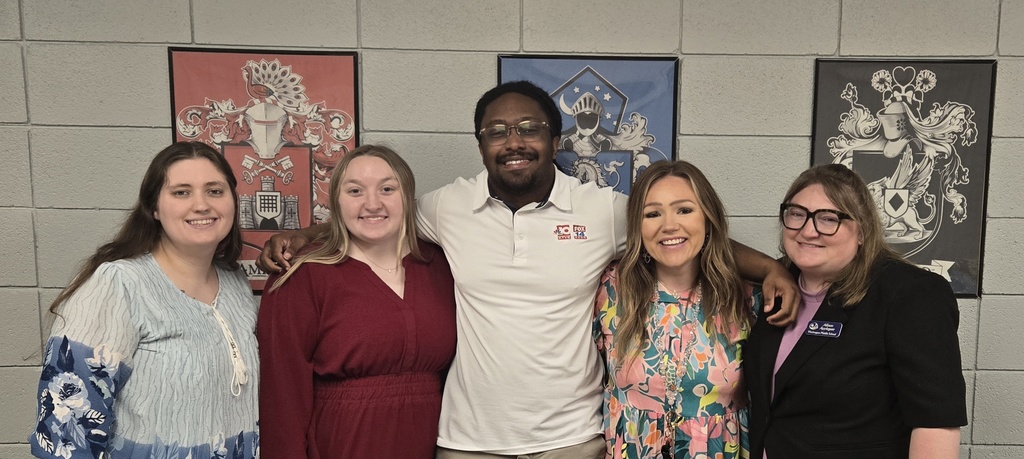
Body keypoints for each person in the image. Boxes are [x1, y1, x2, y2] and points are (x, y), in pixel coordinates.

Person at [258, 81, 800, 458]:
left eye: (528, 128)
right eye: (497, 131)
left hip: (574, 440)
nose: (513, 141)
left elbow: (686, 236)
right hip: (470, 441)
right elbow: (374, 217)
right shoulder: (447, 207)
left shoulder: (603, 209)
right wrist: (303, 236)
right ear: (481, 145)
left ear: (554, 141)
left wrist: (773, 268)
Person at [30, 142, 259, 458]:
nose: (201, 204)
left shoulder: (236, 285)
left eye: (215, 191)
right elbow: (65, 433)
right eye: (181, 192)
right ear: (154, 208)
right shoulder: (118, 284)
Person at [744, 164, 967, 459]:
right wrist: (769, 268)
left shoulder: (910, 294)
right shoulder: (777, 285)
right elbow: (705, 245)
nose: (808, 230)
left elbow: (936, 424)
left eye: (828, 219)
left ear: (862, 231)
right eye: (796, 214)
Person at [257, 145, 456, 458]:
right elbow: (281, 395)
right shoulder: (301, 274)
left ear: (408, 198)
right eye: (355, 191)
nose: (372, 203)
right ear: (336, 201)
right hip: (343, 443)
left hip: (430, 443)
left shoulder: (442, 267)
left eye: (387, 189)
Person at [594, 160, 759, 459]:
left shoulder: (746, 299)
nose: (669, 225)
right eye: (653, 214)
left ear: (708, 219)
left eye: (684, 210)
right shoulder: (612, 290)